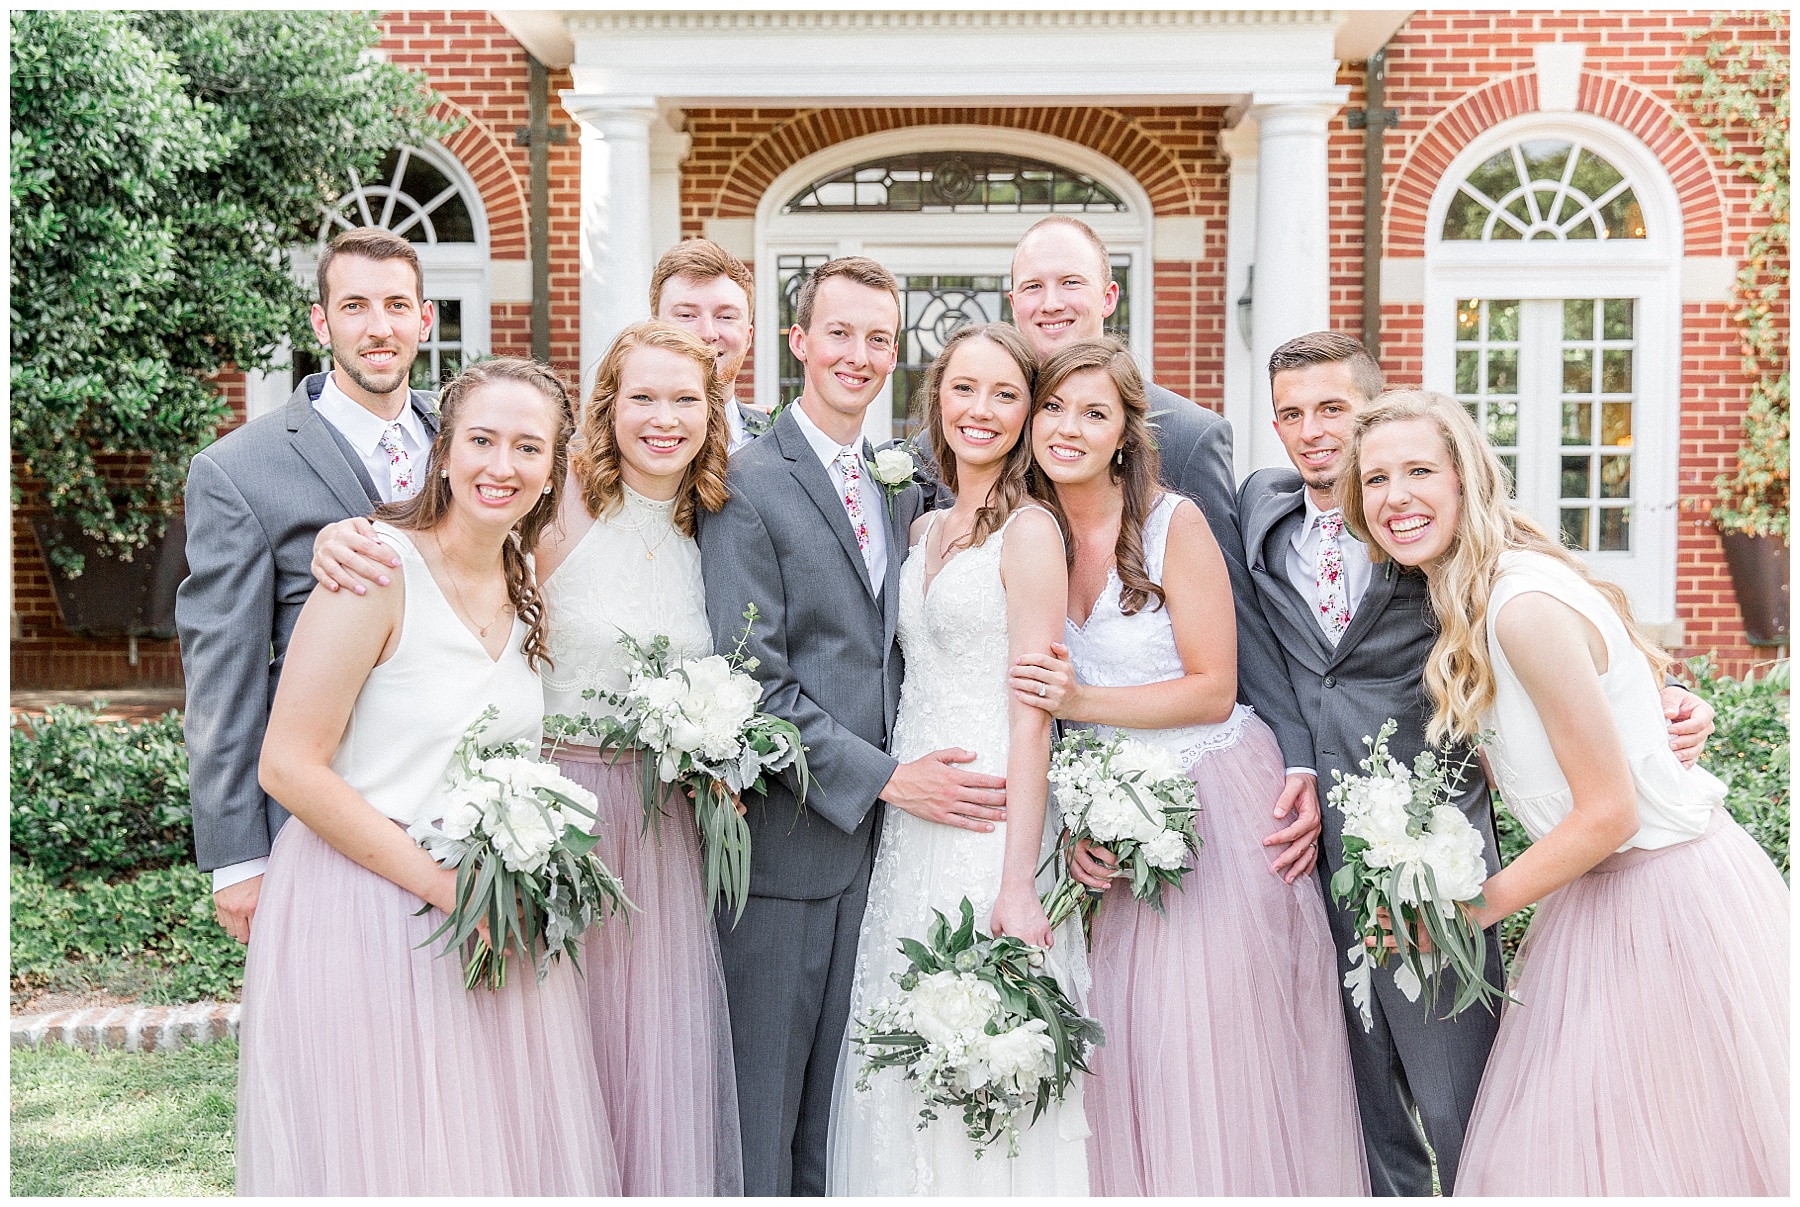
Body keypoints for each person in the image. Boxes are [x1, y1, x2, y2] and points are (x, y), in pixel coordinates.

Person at [1237, 332, 1718, 1195]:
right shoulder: (1261, 511)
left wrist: (1670, 695)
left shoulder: (1482, 570)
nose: (1314, 433)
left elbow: (1583, 653)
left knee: (1498, 1116)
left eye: (1335, 412)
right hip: (1322, 857)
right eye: (1292, 413)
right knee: (1366, 1110)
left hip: (1473, 862)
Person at [308, 323, 745, 1195]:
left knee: (646, 1057)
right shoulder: (555, 509)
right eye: (642, 398)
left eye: (685, 400)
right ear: (605, 411)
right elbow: (448, 558)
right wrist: (339, 536)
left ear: (715, 414)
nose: (663, 418)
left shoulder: (721, 520)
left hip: (662, 829)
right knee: (537, 1065)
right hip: (549, 812)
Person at [1339, 389, 1787, 1196]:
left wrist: (1463, 912)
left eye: (1417, 470)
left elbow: (1609, 812)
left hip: (1664, 907)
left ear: (1466, 478)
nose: (1395, 496)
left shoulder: (1520, 607)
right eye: (1375, 480)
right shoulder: (1477, 592)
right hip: (1600, 901)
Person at [238, 358, 621, 1195]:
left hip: (483, 916)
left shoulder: (523, 589)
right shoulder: (371, 569)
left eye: (528, 448)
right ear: (442, 452)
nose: (501, 465)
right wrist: (451, 889)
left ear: (552, 471)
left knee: (485, 1160)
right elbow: (288, 765)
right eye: (481, 440)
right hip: (364, 910)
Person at [1009, 337, 1366, 1195]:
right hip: (1113, 816)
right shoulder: (1030, 533)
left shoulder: (1176, 522)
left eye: (1094, 412)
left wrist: (1077, 702)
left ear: (1126, 435)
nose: (1068, 426)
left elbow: (1212, 688)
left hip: (1214, 806)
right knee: (1130, 1056)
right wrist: (1081, 818)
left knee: (1214, 1052)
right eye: (1053, 407)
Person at [697, 257, 1004, 1196]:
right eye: (839, 333)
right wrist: (884, 777)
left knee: (850, 1117)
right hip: (790, 848)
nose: (859, 356)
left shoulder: (906, 483)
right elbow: (754, 681)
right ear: (796, 341)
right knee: (765, 1115)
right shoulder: (744, 483)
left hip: (894, 860)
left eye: (879, 339)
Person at [827, 322, 1087, 1194]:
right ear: (936, 397)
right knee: (903, 1053)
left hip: (990, 825)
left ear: (1026, 414)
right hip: (910, 825)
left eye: (1005, 394)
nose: (981, 410)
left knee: (987, 1052)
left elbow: (1034, 712)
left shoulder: (1032, 531)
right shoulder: (925, 522)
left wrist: (1018, 879)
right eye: (964, 388)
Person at [1007, 216, 1322, 884]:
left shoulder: (1186, 435)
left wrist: (1296, 756)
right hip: (1049, 791)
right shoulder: (985, 421)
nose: (1051, 301)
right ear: (1013, 303)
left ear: (1109, 297)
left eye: (1071, 282)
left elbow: (1237, 618)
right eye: (1033, 285)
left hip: (1179, 789)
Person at [177, 226, 440, 948]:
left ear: (425, 318)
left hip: (457, 808)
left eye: (396, 304)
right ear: (322, 323)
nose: (378, 327)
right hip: (321, 815)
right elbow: (220, 676)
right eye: (354, 306)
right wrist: (236, 858)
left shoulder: (468, 447)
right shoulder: (239, 469)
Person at [651, 238, 770, 452]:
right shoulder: (611, 444)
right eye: (686, 315)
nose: (708, 334)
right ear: (652, 332)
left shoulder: (777, 438)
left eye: (725, 317)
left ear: (748, 337)